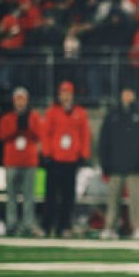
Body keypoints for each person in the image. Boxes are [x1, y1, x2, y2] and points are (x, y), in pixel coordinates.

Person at [98, 86, 139, 239]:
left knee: (137, 199)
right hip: (115, 165)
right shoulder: (112, 115)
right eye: (125, 93)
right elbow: (104, 141)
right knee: (112, 200)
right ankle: (110, 227)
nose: (127, 96)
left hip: (135, 166)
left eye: (130, 93)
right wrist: (105, 163)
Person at [42, 81, 91, 237]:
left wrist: (83, 154)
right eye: (63, 92)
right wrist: (47, 153)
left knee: (68, 196)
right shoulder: (52, 112)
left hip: (71, 160)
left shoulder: (80, 113)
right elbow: (45, 133)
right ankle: (47, 225)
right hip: (55, 159)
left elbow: (85, 135)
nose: (65, 96)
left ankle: (64, 226)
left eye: (68, 93)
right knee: (50, 195)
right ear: (59, 94)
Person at [0, 87, 44, 236]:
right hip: (12, 161)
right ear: (13, 101)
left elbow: (39, 134)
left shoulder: (34, 117)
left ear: (27, 101)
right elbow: (2, 135)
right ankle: (11, 224)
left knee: (29, 196)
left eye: (23, 99)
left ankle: (27, 225)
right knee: (11, 196)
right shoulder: (7, 118)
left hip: (29, 162)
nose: (20, 103)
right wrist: (17, 126)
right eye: (18, 99)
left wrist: (27, 125)